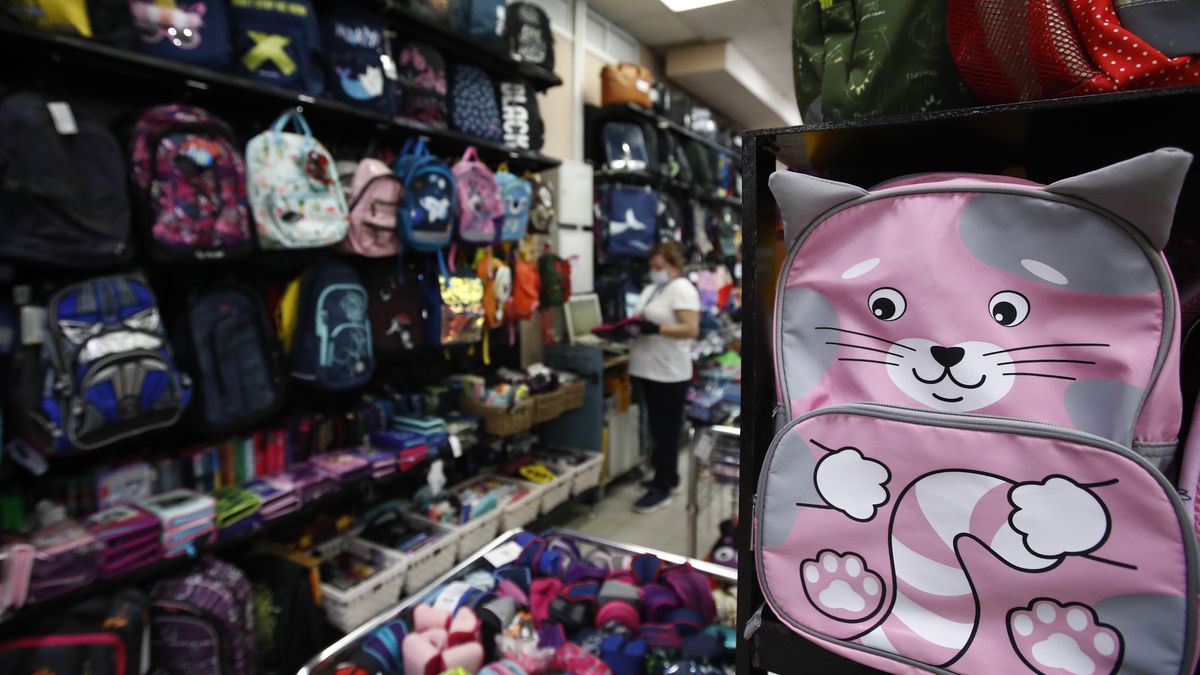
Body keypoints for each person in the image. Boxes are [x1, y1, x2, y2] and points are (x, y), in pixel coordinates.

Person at [626, 241, 701, 513]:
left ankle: (663, 487)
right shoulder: (652, 289)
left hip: (669, 373)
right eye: (651, 266)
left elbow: (691, 329)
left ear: (674, 265)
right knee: (658, 429)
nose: (654, 270)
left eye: (659, 266)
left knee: (666, 431)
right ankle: (669, 476)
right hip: (648, 369)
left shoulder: (681, 289)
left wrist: (657, 329)